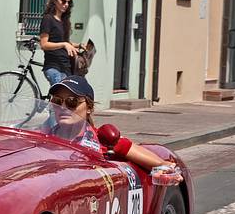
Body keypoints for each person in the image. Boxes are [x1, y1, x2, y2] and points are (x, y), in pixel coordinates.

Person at [42, 76, 182, 183]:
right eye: (57, 101)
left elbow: (164, 165)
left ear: (89, 108)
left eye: (72, 102)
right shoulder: (42, 137)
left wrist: (165, 171)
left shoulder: (102, 139)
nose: (64, 107)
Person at [39, 0, 78, 87]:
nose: (66, 4)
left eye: (68, 2)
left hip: (66, 66)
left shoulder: (64, 21)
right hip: (54, 67)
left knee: (66, 99)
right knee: (60, 98)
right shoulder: (48, 19)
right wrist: (64, 44)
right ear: (55, 1)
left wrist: (79, 45)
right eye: (63, 1)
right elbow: (44, 44)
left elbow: (64, 42)